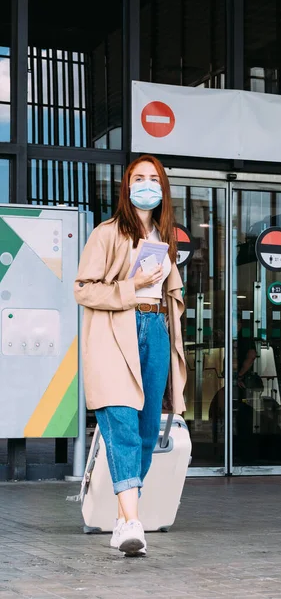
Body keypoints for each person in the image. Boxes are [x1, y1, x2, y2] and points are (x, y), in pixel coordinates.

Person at [74, 155, 187, 557]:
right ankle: (132, 522)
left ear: (163, 189)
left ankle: (124, 521)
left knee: (144, 432)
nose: (146, 185)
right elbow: (84, 289)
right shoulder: (106, 233)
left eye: (153, 179)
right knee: (119, 421)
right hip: (117, 331)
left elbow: (171, 294)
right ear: (126, 186)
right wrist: (131, 284)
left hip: (155, 331)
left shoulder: (165, 236)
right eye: (138, 178)